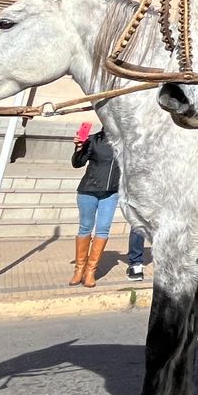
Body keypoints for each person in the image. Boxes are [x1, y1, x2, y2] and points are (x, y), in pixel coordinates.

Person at [70, 122, 123, 288]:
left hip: (111, 192)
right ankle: (79, 269)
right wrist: (79, 147)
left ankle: (91, 270)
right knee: (85, 228)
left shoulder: (124, 143)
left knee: (103, 229)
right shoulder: (93, 140)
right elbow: (77, 163)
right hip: (88, 190)